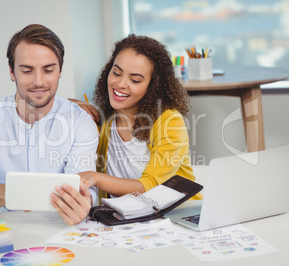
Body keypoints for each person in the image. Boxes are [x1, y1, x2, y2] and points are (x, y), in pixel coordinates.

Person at [0, 24, 99, 225]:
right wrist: (14, 192)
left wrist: (85, 201)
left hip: (59, 230)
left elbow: (83, 185)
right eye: (27, 71)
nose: (39, 81)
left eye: (48, 70)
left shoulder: (81, 123)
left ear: (60, 71)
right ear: (12, 72)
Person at [78, 34, 203, 201]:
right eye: (116, 73)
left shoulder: (170, 122)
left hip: (176, 215)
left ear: (153, 87)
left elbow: (150, 186)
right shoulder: (105, 119)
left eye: (135, 80)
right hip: (130, 218)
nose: (121, 84)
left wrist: (97, 178)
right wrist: (72, 105)